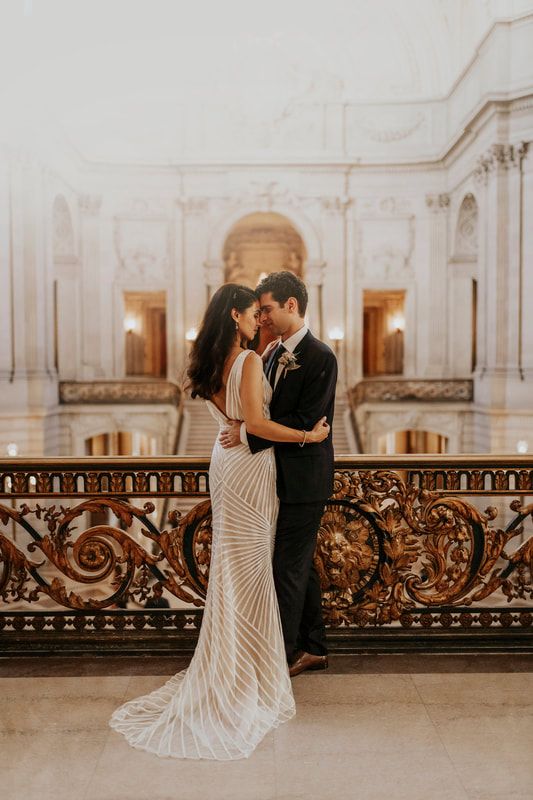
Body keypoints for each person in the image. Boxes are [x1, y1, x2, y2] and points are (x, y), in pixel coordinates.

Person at [109, 283, 330, 760]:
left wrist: (245, 423)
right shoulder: (249, 361)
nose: (260, 321)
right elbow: (257, 425)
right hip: (251, 467)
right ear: (234, 315)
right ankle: (251, 669)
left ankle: (234, 662)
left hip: (225, 463)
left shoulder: (210, 362)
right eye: (254, 314)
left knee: (235, 566)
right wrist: (309, 436)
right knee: (251, 568)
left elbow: (237, 421)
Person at [220, 271, 337, 678]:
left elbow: (306, 419)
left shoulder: (321, 356)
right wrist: (249, 426)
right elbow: (263, 410)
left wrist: (247, 432)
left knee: (286, 568)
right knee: (297, 566)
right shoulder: (268, 354)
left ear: (291, 305)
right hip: (271, 477)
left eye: (267, 308)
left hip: (304, 479)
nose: (263, 317)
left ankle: (281, 657)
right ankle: (315, 647)